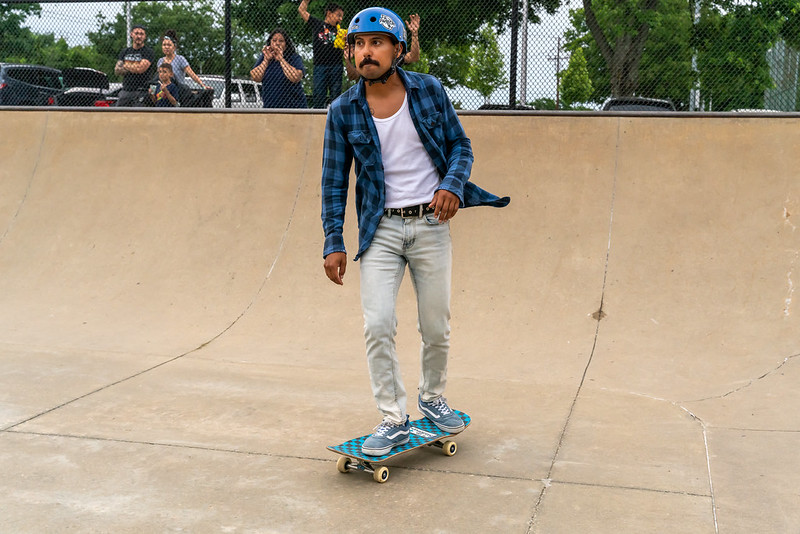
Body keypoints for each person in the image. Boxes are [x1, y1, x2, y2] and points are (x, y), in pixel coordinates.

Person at [320, 7, 509, 456]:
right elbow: (333, 182)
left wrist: (452, 186)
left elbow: (460, 145)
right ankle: (392, 417)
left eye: (376, 44)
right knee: (379, 324)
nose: (366, 53)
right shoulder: (342, 110)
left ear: (398, 50)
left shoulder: (428, 90)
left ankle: (433, 397)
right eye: (359, 45)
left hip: (430, 224)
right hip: (380, 230)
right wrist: (333, 241)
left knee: (436, 325)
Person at [298, 1, 346, 108]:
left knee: (336, 95)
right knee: (319, 95)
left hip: (336, 67)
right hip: (320, 66)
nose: (340, 19)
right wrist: (306, 1)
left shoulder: (340, 31)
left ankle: (335, 118)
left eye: (342, 17)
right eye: (338, 15)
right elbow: (301, 11)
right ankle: (318, 116)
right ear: (329, 13)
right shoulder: (318, 24)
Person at [345, 13, 419, 81]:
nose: (366, 52)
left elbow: (413, 57)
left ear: (397, 50)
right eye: (360, 43)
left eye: (376, 42)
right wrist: (347, 60)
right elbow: (353, 77)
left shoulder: (427, 86)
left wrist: (414, 34)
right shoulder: (364, 60)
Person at [249, 28, 307, 109]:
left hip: (294, 107)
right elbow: (255, 77)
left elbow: (296, 77)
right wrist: (266, 60)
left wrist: (281, 59)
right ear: (270, 43)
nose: (277, 43)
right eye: (274, 40)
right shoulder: (264, 57)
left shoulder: (294, 57)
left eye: (281, 41)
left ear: (286, 45)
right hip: (270, 107)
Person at [114, 25, 156, 107]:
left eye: (141, 34)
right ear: (131, 34)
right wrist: (135, 65)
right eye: (136, 33)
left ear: (145, 36)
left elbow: (140, 69)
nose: (139, 36)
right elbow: (117, 70)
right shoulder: (125, 51)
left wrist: (125, 65)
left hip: (142, 91)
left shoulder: (148, 52)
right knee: (119, 114)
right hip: (126, 90)